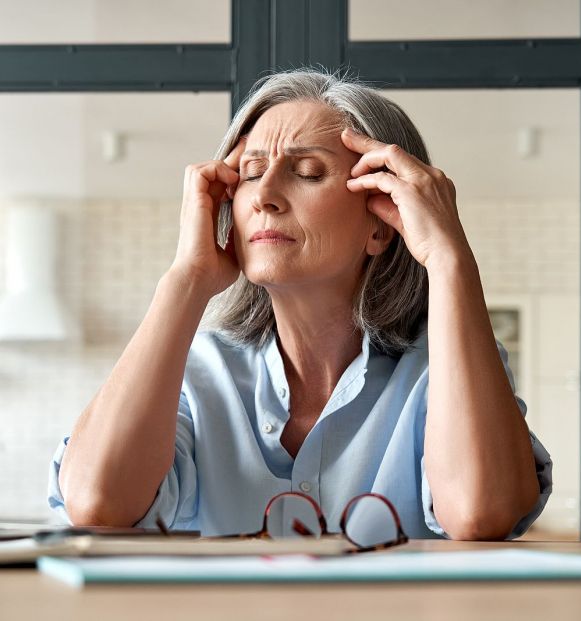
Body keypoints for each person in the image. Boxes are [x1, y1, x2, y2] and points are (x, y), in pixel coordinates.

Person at [48, 68, 552, 541]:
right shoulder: (195, 372)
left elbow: (483, 513)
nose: (264, 195)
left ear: (383, 222)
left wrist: (449, 260)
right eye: (250, 172)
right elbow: (97, 504)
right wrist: (185, 279)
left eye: (308, 172)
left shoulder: (444, 369)